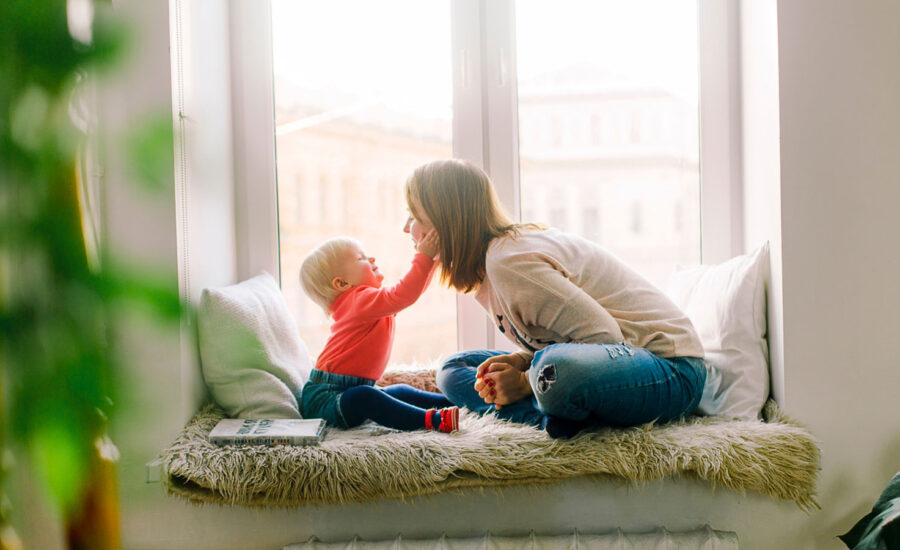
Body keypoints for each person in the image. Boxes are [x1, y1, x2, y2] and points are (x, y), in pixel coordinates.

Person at [402, 158, 707, 438]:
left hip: (671, 371)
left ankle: (548, 409)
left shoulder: (508, 262)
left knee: (554, 369)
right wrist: (524, 363)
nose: (407, 228)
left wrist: (523, 381)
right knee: (455, 368)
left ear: (446, 222)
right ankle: (554, 416)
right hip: (609, 363)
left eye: (414, 215)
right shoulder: (488, 270)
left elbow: (605, 338)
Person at [299, 234, 459, 433]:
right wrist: (424, 258)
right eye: (361, 258)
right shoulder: (358, 301)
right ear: (341, 284)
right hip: (326, 399)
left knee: (398, 391)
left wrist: (433, 262)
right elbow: (404, 294)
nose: (372, 259)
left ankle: (454, 402)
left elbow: (410, 294)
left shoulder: (367, 303)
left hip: (347, 390)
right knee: (366, 397)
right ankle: (433, 420)